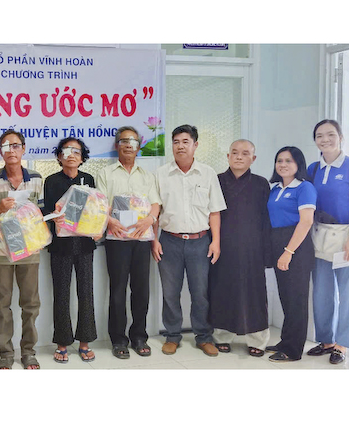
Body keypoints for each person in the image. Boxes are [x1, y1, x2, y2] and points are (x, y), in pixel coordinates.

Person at [153, 124, 226, 357]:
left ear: (195, 145)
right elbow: (155, 211)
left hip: (200, 242)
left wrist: (216, 241)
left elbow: (215, 211)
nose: (180, 146)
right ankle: (172, 335)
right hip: (169, 241)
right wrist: (154, 240)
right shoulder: (161, 174)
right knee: (170, 292)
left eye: (185, 142)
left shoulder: (207, 173)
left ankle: (203, 336)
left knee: (200, 292)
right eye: (176, 142)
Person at [307, 119, 349, 364]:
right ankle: (326, 341)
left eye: (330, 134)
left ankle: (341, 344)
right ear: (315, 141)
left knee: (347, 292)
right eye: (319, 136)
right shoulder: (313, 169)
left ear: (340, 137)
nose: (325, 139)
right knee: (322, 292)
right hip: (321, 235)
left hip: (348, 235)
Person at [96, 126, 160, 359]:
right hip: (117, 238)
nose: (128, 145)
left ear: (138, 147)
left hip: (142, 239)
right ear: (117, 146)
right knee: (118, 290)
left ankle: (139, 336)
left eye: (133, 141)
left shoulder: (147, 175)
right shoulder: (106, 173)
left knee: (141, 290)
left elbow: (155, 203)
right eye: (124, 141)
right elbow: (100, 204)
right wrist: (109, 221)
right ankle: (118, 339)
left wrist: (150, 219)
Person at [0, 130, 44, 369]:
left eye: (16, 145)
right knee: (2, 305)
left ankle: (28, 351)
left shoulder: (36, 178)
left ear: (24, 148)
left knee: (30, 304)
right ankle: (6, 354)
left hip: (29, 249)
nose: (11, 150)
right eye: (6, 146)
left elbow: (41, 213)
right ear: (0, 151)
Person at [208, 139, 272, 357]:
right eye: (234, 153)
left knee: (255, 293)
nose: (238, 157)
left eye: (245, 153)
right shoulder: (216, 181)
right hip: (222, 245)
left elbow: (266, 220)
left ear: (253, 158)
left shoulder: (261, 184)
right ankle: (222, 337)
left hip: (253, 248)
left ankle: (258, 340)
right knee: (222, 290)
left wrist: (267, 252)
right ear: (227, 156)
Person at [43, 137, 98, 364]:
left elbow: (95, 209)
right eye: (66, 151)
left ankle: (85, 341)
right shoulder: (51, 181)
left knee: (86, 293)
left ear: (82, 157)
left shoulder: (89, 179)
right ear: (59, 156)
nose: (72, 155)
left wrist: (97, 227)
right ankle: (62, 342)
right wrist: (54, 217)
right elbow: (46, 212)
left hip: (84, 244)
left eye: (76, 151)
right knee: (61, 294)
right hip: (60, 246)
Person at [265, 146, 316, 362]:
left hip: (296, 246)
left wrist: (288, 252)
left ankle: (293, 350)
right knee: (285, 296)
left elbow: (306, 222)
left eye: (288, 161)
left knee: (296, 299)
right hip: (278, 242)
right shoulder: (275, 189)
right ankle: (285, 341)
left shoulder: (304, 188)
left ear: (298, 164)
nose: (283, 164)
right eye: (279, 160)